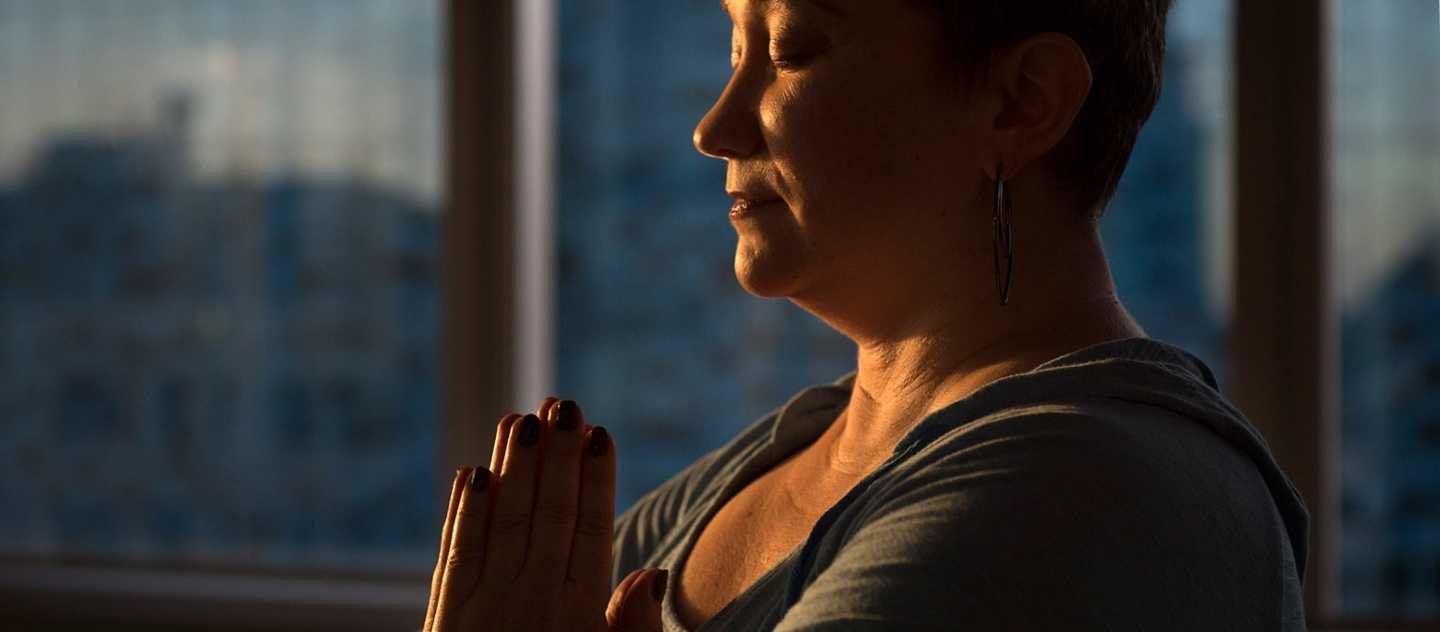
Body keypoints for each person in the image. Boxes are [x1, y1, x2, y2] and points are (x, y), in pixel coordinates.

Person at [423, 1, 1310, 630]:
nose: (717, 126)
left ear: (1023, 99)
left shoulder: (1081, 489)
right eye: (736, 48)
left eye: (795, 47)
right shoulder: (763, 467)